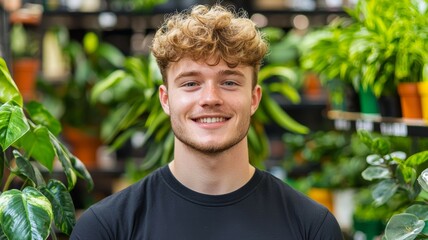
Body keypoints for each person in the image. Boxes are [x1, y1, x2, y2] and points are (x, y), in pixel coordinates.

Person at [70, 4, 343, 240]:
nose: (210, 98)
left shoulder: (311, 227)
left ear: (254, 98)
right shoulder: (106, 228)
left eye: (229, 82)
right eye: (191, 83)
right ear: (165, 100)